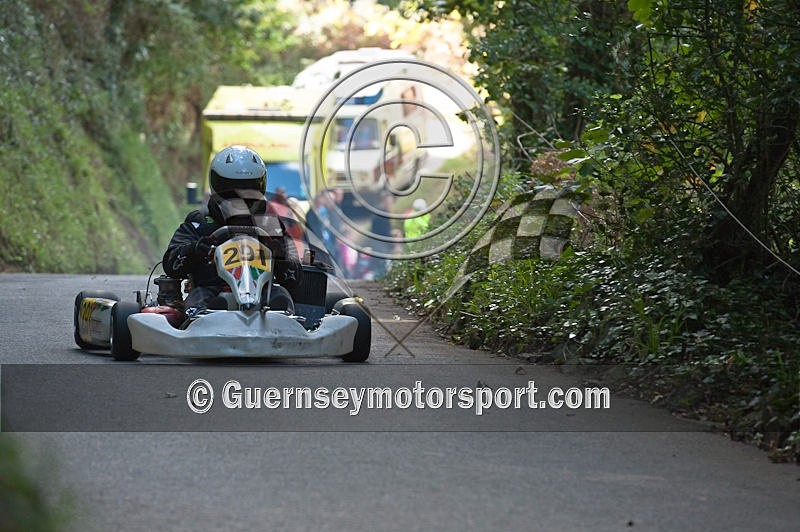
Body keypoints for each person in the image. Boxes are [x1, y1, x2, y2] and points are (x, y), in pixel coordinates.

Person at [163, 145, 301, 311]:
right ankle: (205, 318)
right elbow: (171, 264)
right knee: (199, 299)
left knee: (281, 295)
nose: (241, 197)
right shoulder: (199, 223)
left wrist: (280, 257)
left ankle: (281, 322)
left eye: (248, 190)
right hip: (212, 290)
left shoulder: (270, 225)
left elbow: (295, 277)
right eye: (232, 191)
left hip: (262, 295)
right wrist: (195, 250)